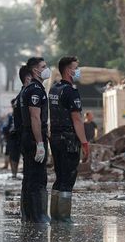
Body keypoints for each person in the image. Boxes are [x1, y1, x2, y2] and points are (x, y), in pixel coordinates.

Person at [47, 55, 90, 222]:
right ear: (67, 70)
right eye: (75, 67)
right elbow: (77, 119)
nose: (77, 71)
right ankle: (64, 217)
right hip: (69, 139)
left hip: (55, 138)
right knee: (68, 177)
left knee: (59, 176)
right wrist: (85, 142)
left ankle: (55, 215)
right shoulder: (71, 91)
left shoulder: (54, 89)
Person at [20, 56, 51, 223]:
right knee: (37, 178)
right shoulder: (35, 90)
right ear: (35, 70)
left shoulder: (31, 88)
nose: (46, 69)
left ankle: (30, 215)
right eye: (43, 66)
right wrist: (40, 143)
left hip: (29, 136)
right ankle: (37, 216)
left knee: (30, 177)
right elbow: (35, 118)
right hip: (33, 138)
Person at [7, 65, 33, 179]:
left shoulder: (21, 94)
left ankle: (15, 174)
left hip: (16, 131)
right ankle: (16, 173)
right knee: (19, 155)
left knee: (15, 154)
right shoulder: (26, 94)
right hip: (21, 132)